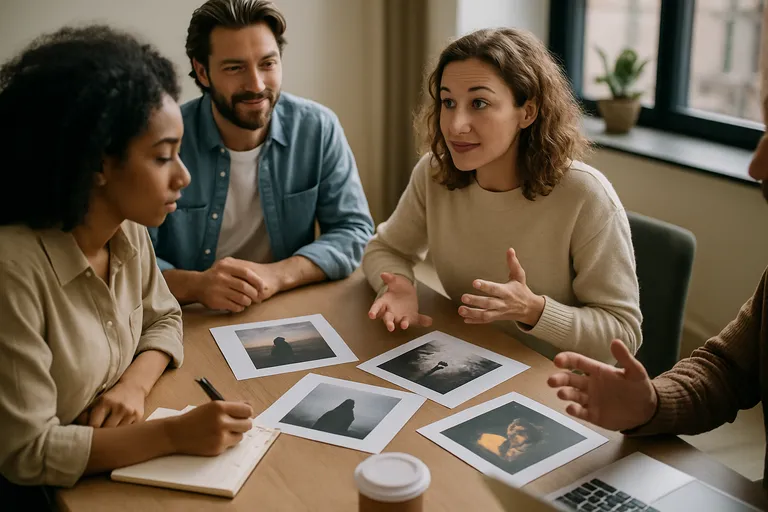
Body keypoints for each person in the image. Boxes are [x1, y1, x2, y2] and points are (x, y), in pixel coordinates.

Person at [0, 26, 256, 497]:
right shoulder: (12, 271)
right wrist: (173, 434)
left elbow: (164, 316)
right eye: (162, 158)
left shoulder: (127, 226)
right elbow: (26, 453)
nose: (183, 176)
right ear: (96, 165)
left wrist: (134, 385)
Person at [548, 7, 768, 488]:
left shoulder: (583, 193)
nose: (756, 167)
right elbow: (728, 369)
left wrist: (537, 310)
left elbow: (620, 327)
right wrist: (652, 401)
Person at [362, 28, 642, 363]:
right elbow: (386, 248)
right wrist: (399, 287)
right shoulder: (434, 173)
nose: (455, 125)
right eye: (448, 102)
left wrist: (533, 310)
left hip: (557, 384)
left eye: (479, 103)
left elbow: (622, 335)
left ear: (527, 112)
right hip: (471, 357)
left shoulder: (586, 196)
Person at [149, 0, 374, 313]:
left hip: (286, 305)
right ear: (202, 71)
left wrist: (277, 275)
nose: (256, 85)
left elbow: (353, 231)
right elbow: (129, 258)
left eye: (267, 64)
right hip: (188, 315)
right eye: (235, 68)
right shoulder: (164, 142)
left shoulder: (317, 128)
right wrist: (197, 285)